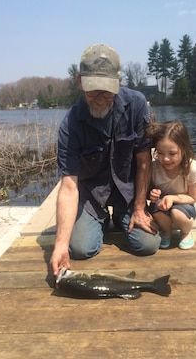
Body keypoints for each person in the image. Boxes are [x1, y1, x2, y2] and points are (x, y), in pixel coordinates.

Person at [50, 43, 160, 276]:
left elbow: (144, 162)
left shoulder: (137, 104)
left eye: (107, 92)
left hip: (128, 193)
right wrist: (60, 245)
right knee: (81, 248)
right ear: (80, 82)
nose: (100, 99)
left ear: (118, 83)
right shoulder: (70, 125)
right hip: (90, 196)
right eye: (93, 92)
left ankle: (122, 215)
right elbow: (69, 188)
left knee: (147, 245)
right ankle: (97, 220)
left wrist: (140, 208)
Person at [145, 120, 196, 250]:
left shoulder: (192, 167)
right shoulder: (155, 168)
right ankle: (166, 231)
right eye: (160, 153)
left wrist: (173, 198)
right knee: (156, 208)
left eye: (172, 154)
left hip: (185, 205)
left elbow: (193, 198)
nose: (165, 159)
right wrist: (152, 194)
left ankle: (186, 232)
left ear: (184, 149)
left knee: (177, 212)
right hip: (162, 204)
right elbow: (150, 192)